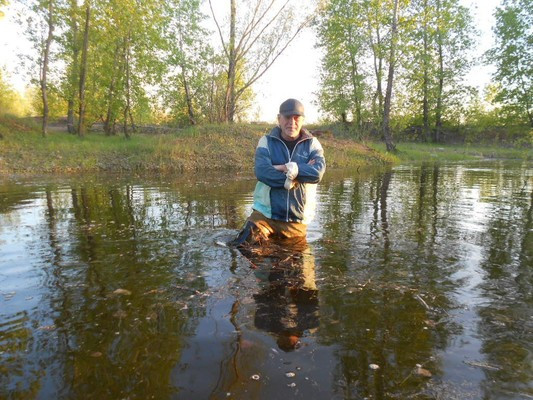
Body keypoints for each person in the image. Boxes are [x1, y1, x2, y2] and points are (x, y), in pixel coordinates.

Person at [229, 98, 326, 247]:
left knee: (294, 265)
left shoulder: (312, 144)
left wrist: (287, 167)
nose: (291, 123)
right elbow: (262, 172)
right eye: (287, 117)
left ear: (303, 120)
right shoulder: (266, 142)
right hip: (264, 216)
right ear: (279, 119)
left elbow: (317, 173)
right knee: (244, 247)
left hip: (297, 221)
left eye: (296, 118)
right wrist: (291, 180)